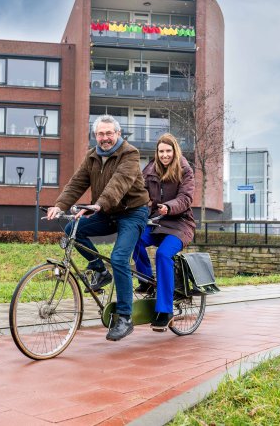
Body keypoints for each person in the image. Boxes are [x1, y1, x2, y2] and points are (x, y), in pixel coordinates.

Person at [46, 114, 149, 341]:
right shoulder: (92, 157)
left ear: (118, 134)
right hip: (106, 212)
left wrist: (98, 205)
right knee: (72, 229)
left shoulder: (130, 154)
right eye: (101, 134)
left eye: (109, 133)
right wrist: (59, 205)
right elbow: (76, 183)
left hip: (133, 213)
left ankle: (124, 317)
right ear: (95, 136)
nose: (105, 138)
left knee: (120, 258)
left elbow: (118, 184)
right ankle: (100, 271)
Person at [132, 133, 195, 332]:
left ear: (175, 151)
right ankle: (147, 282)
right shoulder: (149, 170)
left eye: (168, 151)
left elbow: (185, 198)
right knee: (134, 239)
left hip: (180, 224)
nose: (165, 155)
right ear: (157, 152)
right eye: (161, 151)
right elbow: (138, 193)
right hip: (156, 222)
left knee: (163, 254)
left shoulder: (185, 170)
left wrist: (168, 206)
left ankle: (165, 311)